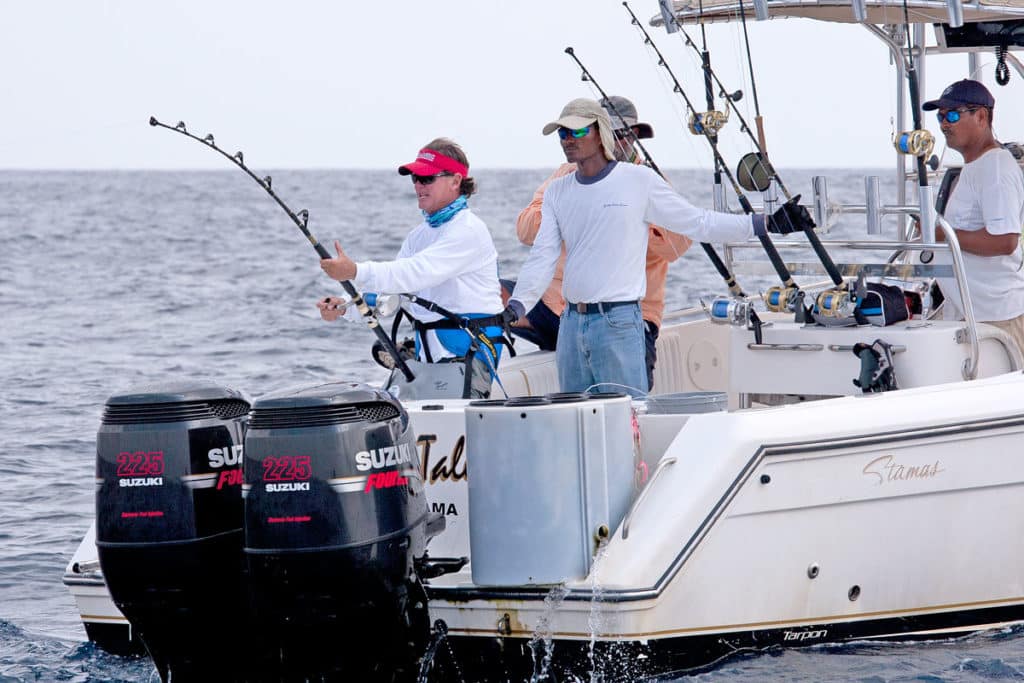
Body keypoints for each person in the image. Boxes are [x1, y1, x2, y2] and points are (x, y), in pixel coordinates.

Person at [504, 98, 813, 396]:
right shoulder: (558, 189)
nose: (568, 140)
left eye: (578, 131)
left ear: (601, 133)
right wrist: (516, 306)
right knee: (574, 420)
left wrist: (766, 224)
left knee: (629, 420)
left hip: (618, 322)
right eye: (562, 133)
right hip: (570, 324)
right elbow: (541, 257)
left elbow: (698, 223)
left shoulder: (640, 180)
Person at [508, 95, 691, 390]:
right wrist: (578, 206)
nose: (614, 142)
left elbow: (676, 248)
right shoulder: (565, 180)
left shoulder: (647, 181)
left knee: (629, 410)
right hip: (565, 313)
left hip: (627, 316)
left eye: (621, 134)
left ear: (634, 137)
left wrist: (624, 211)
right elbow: (525, 230)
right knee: (490, 293)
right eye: (605, 132)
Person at [318, 138, 506, 398]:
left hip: (468, 355)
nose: (418, 185)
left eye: (427, 178)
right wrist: (344, 308)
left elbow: (414, 273)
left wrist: (355, 271)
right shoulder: (418, 236)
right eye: (415, 178)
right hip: (429, 358)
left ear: (455, 181)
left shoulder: (469, 230)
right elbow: (390, 293)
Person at [924, 79, 1024, 355]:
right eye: (941, 116)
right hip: (973, 313)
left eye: (953, 115)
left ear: (981, 116)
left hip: (996, 318)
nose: (945, 124)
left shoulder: (995, 168)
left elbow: (1005, 241)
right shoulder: (977, 166)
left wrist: (943, 234)